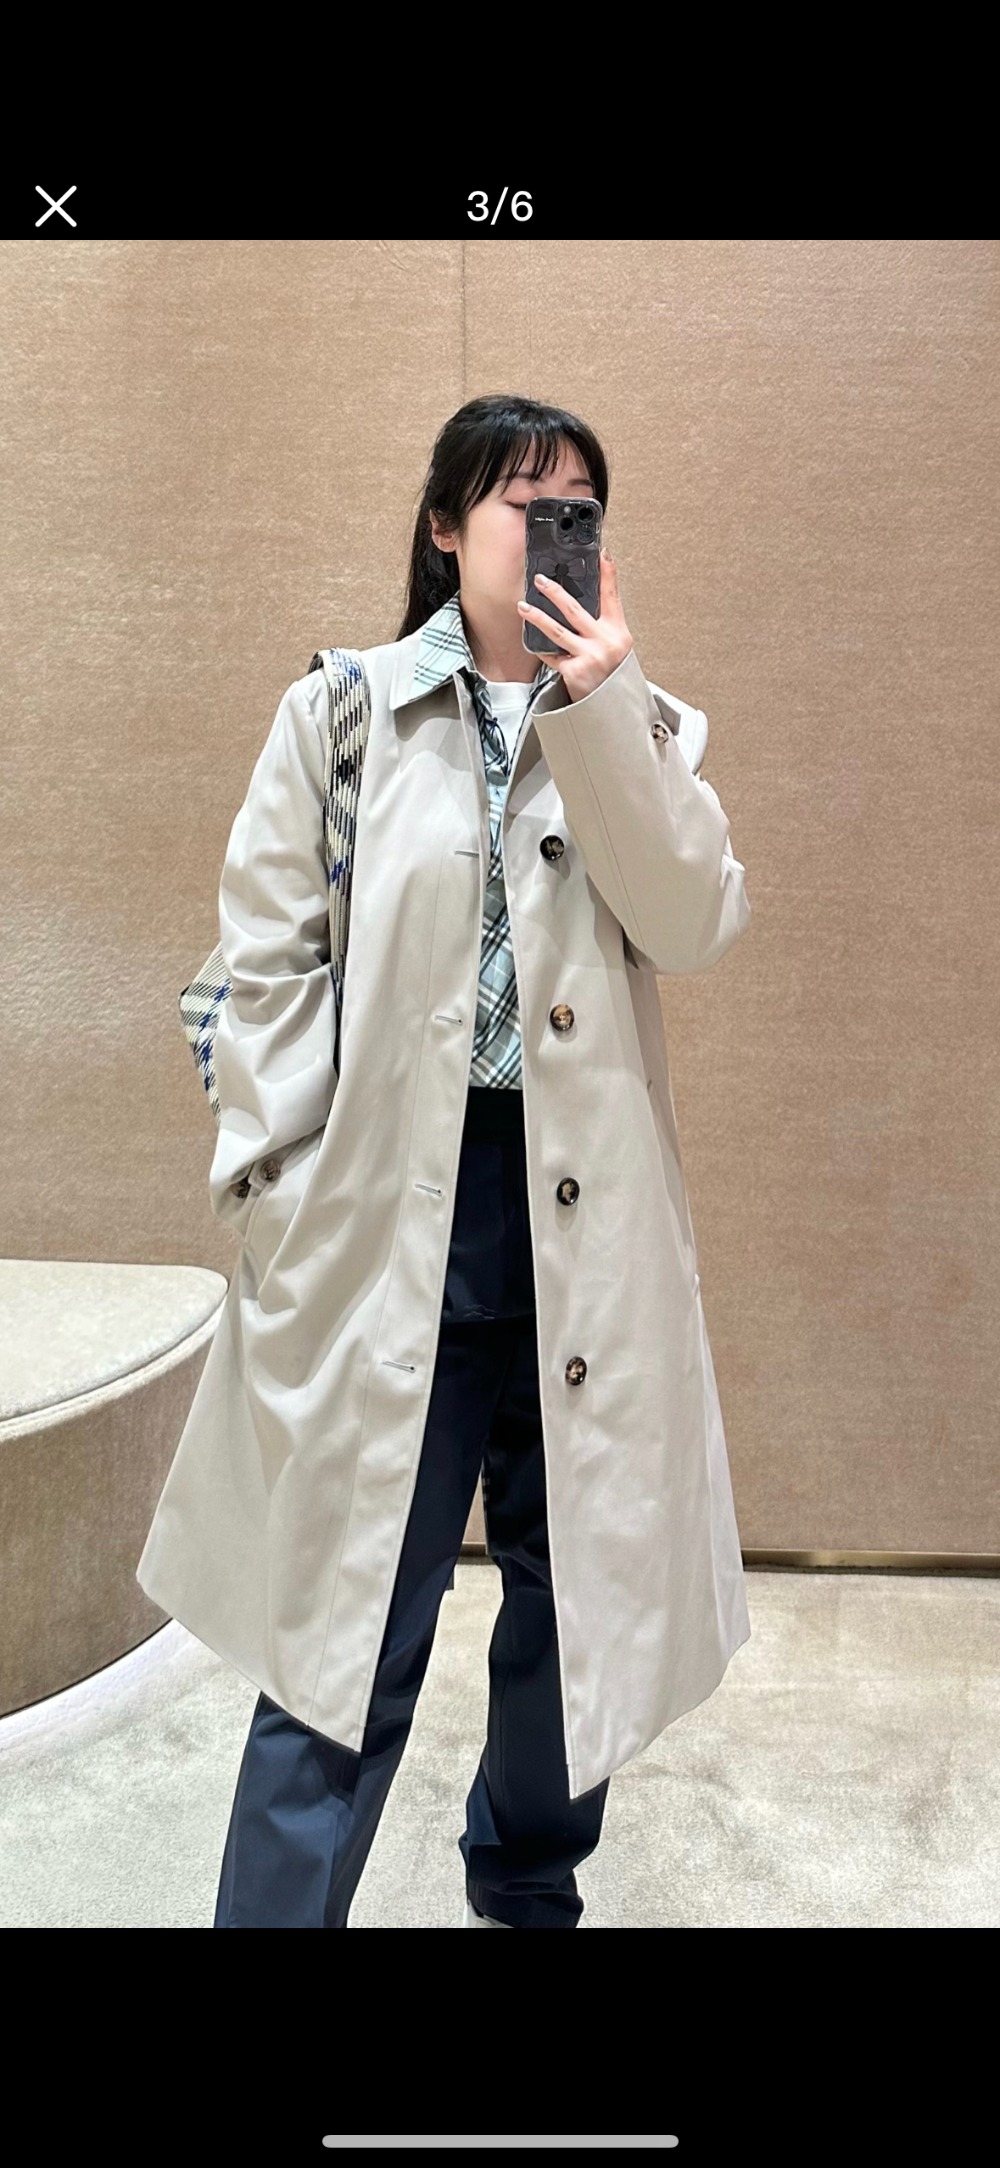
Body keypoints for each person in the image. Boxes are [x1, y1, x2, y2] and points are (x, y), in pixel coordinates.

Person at [136, 392, 753, 1929]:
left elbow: (693, 921)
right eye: (519, 501)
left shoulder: (644, 726)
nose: (551, 529)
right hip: (385, 1232)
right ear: (441, 526)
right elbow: (262, 970)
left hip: (582, 1241)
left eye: (577, 507)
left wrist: (603, 709)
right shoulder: (342, 713)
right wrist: (276, 1193)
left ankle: (527, 1882)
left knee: (572, 1610)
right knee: (342, 1631)